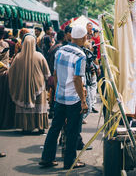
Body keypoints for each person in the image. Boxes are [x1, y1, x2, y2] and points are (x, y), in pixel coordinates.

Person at [39, 25, 88, 169]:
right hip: (73, 99)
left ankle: (47, 158)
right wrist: (83, 101)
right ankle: (70, 161)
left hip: (60, 96)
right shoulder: (80, 55)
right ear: (84, 38)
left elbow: (55, 74)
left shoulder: (60, 50)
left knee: (55, 128)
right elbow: (77, 79)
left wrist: (56, 91)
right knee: (73, 130)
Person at [9, 33, 50, 133]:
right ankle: (40, 127)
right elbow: (47, 73)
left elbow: (11, 73)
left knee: (25, 107)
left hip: (22, 88)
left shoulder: (18, 57)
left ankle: (26, 127)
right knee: (39, 107)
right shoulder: (40, 56)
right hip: (39, 87)